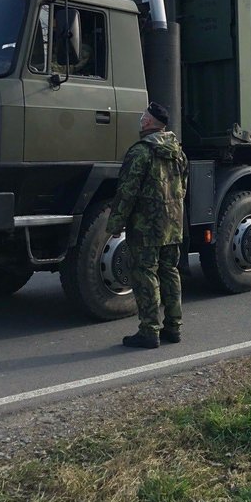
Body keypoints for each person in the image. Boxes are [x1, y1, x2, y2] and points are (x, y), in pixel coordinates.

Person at [105, 102, 188, 349]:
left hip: (145, 226)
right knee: (170, 271)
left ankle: (149, 330)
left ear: (150, 123)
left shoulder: (140, 152)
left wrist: (116, 223)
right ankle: (174, 328)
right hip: (172, 223)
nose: (141, 119)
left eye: (144, 117)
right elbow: (182, 187)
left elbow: (127, 191)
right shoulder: (178, 152)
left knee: (145, 274)